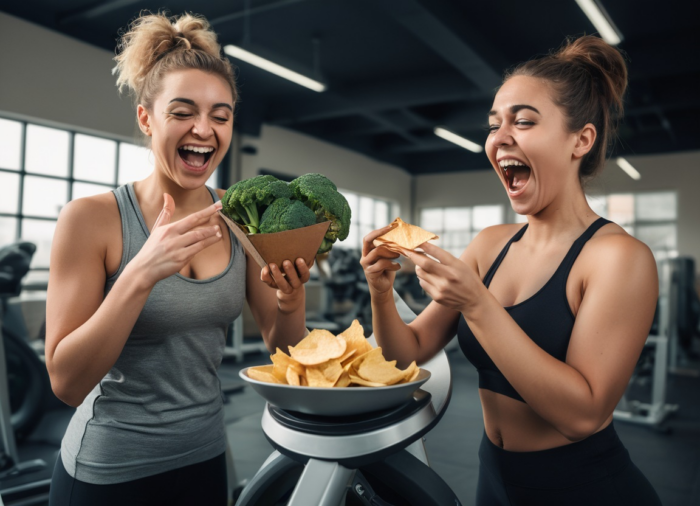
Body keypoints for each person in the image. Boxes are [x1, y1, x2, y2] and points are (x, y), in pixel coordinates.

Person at [361, 35, 662, 505]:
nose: (499, 138)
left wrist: (478, 304)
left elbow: (582, 415)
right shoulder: (491, 244)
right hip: (494, 478)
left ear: (581, 140)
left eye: (523, 121)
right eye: (494, 124)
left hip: (584, 487)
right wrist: (381, 291)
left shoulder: (619, 257)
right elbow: (407, 354)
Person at [45, 12, 310, 506]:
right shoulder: (91, 219)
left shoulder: (242, 213)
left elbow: (285, 351)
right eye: (183, 111)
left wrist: (291, 302)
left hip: (205, 461)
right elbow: (65, 382)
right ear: (147, 119)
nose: (204, 130)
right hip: (107, 472)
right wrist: (140, 274)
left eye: (221, 115)